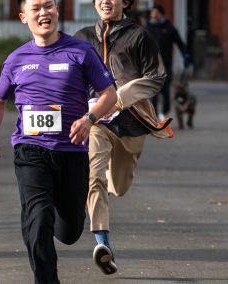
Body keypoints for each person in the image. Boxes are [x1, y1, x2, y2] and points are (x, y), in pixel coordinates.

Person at [0, 0, 117, 283]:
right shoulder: (16, 59)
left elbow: (109, 94)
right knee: (39, 217)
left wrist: (88, 120)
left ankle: (48, 213)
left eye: (50, 6)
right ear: (23, 17)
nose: (44, 12)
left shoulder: (80, 51)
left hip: (71, 151)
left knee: (69, 232)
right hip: (30, 150)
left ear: (57, 11)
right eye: (36, 8)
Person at [75, 0, 173, 275]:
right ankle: (102, 243)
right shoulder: (81, 39)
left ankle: (106, 186)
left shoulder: (139, 36)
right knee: (95, 177)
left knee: (118, 186)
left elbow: (157, 77)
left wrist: (119, 99)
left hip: (132, 124)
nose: (105, 1)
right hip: (94, 123)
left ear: (125, 3)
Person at [146, 3, 191, 120]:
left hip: (166, 65)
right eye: (152, 12)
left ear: (160, 14)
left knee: (165, 93)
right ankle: (155, 117)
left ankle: (164, 111)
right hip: (152, 66)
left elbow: (180, 44)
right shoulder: (147, 28)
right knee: (153, 93)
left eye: (155, 12)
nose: (153, 15)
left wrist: (186, 57)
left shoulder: (169, 28)